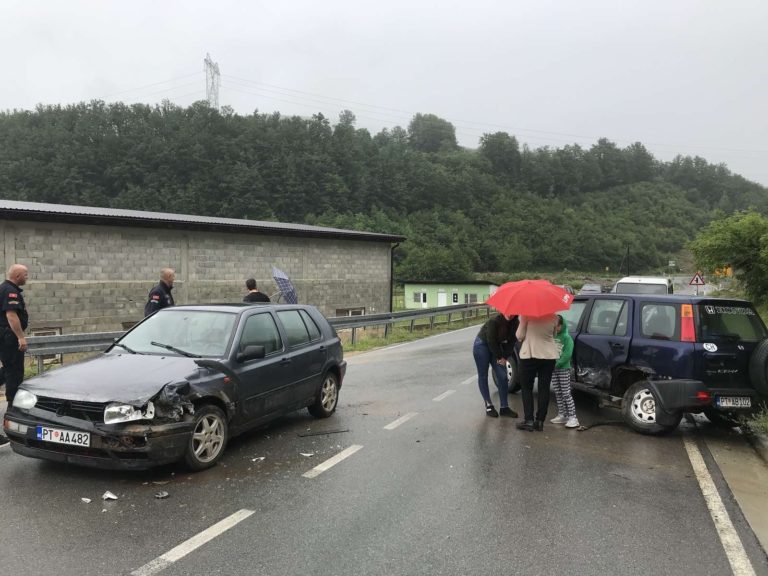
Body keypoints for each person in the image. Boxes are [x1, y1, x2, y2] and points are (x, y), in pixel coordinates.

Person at [0, 264, 29, 446]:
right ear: (17, 275)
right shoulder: (10, 291)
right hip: (9, 337)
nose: (27, 277)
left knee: (9, 369)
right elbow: (11, 315)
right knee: (14, 373)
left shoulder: (4, 288)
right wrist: (20, 337)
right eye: (26, 274)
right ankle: (12, 409)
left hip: (4, 335)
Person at [515, 314, 558, 431]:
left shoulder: (526, 315)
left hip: (530, 354)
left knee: (526, 387)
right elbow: (554, 335)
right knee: (544, 388)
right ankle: (540, 421)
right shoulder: (554, 317)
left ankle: (529, 420)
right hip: (549, 356)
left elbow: (519, 336)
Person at [473, 313, 519, 418]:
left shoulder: (516, 323)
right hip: (482, 345)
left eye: (514, 312)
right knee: (483, 375)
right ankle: (488, 405)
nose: (511, 314)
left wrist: (505, 357)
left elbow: (511, 342)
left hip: (496, 348)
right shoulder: (494, 321)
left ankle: (504, 407)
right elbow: (491, 341)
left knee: (502, 375)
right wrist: (499, 357)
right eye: (509, 311)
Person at [550, 314, 579, 428]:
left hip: (563, 369)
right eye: (553, 325)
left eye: (557, 326)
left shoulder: (567, 338)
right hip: (554, 369)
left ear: (562, 325)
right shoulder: (552, 337)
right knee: (558, 392)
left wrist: (557, 364)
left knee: (566, 393)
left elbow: (567, 355)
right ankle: (563, 414)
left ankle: (573, 417)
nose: (555, 328)